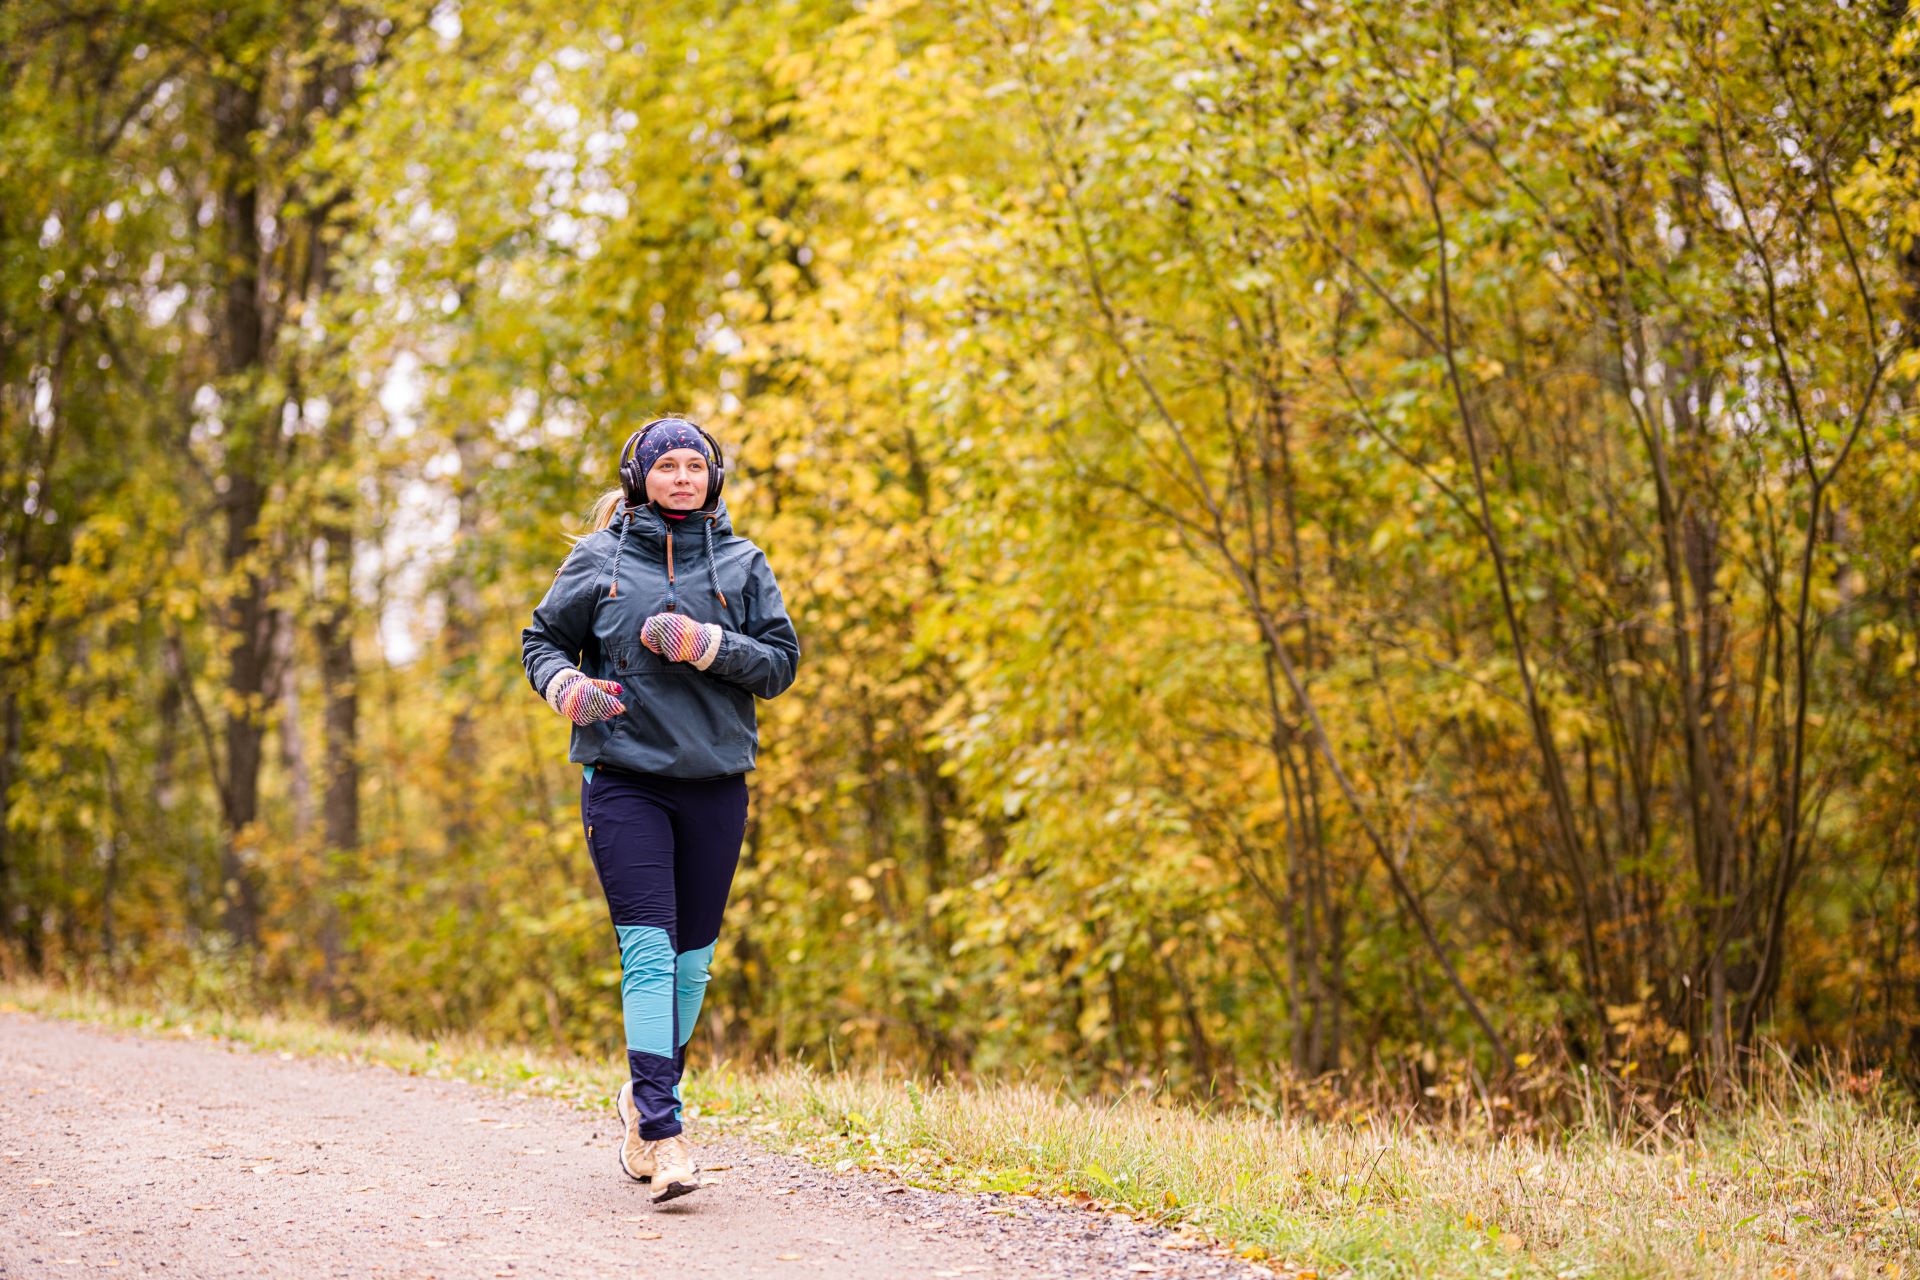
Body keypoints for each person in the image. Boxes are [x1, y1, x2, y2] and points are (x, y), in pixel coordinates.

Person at [520, 417, 800, 1203]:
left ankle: (643, 1105)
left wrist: (706, 644)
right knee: (648, 950)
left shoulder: (743, 564)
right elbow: (540, 639)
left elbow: (780, 665)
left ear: (713, 476)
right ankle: (662, 1128)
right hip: (623, 778)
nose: (682, 477)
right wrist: (566, 689)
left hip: (715, 781)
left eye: (695, 465)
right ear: (638, 476)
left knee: (690, 964)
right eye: (667, 466)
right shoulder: (597, 559)